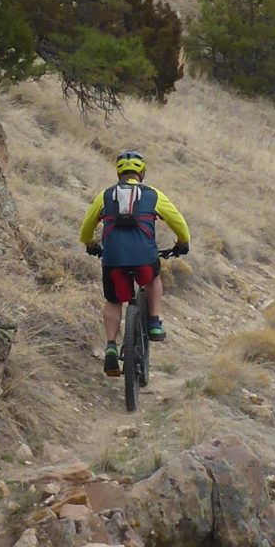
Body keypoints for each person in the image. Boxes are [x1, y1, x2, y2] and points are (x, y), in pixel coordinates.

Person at [79, 150, 190, 377]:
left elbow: (85, 229)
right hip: (144, 259)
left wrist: (91, 244)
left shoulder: (105, 195)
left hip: (113, 260)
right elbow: (179, 222)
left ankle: (110, 345)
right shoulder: (154, 195)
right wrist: (182, 243)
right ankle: (154, 321)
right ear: (142, 172)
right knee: (153, 277)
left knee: (113, 300)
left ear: (119, 172)